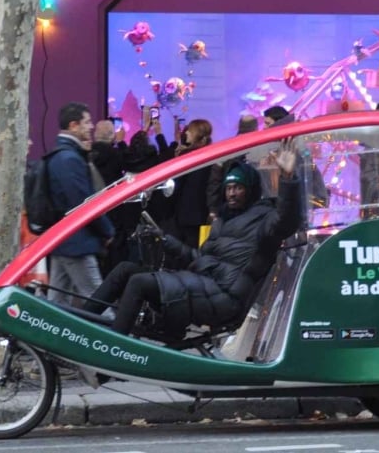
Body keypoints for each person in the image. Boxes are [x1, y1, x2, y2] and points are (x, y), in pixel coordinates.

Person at [86, 142, 302, 338]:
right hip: (203, 284)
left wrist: (288, 178)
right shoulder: (223, 220)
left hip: (224, 298)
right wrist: (165, 239)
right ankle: (81, 324)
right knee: (125, 269)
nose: (232, 194)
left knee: (139, 282)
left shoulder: (263, 219)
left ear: (251, 190)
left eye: (238, 188)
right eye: (228, 188)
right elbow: (199, 258)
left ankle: (114, 347)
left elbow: (287, 219)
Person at [46, 102, 114, 306]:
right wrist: (107, 230)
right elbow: (84, 204)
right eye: (87, 121)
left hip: (63, 239)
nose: (91, 126)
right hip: (77, 242)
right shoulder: (70, 159)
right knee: (98, 303)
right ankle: (108, 338)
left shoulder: (61, 155)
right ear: (74, 125)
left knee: (57, 302)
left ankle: (47, 336)